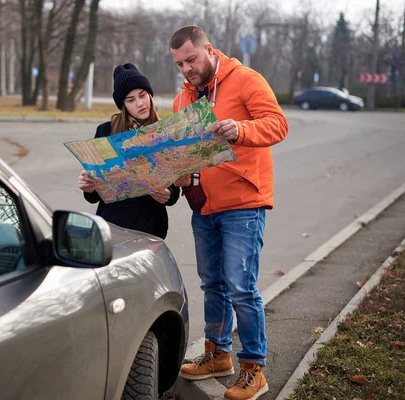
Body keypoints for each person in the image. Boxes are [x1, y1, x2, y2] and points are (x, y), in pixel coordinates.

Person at [169, 26, 288, 400]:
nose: (186, 68)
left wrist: (242, 129)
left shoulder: (246, 80)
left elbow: (278, 125)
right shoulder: (181, 101)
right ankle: (218, 354)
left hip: (243, 204)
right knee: (212, 284)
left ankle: (254, 369)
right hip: (203, 204)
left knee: (241, 287)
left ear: (208, 49)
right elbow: (183, 153)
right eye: (179, 64)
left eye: (191, 59)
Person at [77, 63, 179, 240]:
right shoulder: (105, 133)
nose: (140, 103)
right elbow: (93, 196)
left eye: (142, 95)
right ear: (122, 105)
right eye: (131, 100)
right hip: (112, 227)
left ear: (149, 95)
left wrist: (168, 194)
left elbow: (173, 189)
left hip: (151, 229)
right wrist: (89, 187)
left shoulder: (163, 132)